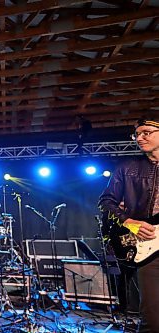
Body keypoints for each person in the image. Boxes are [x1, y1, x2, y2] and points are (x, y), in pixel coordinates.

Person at [98, 117, 159, 333]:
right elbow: (106, 202)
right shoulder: (127, 168)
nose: (140, 138)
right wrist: (130, 222)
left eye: (146, 132)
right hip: (150, 247)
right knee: (152, 317)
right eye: (137, 134)